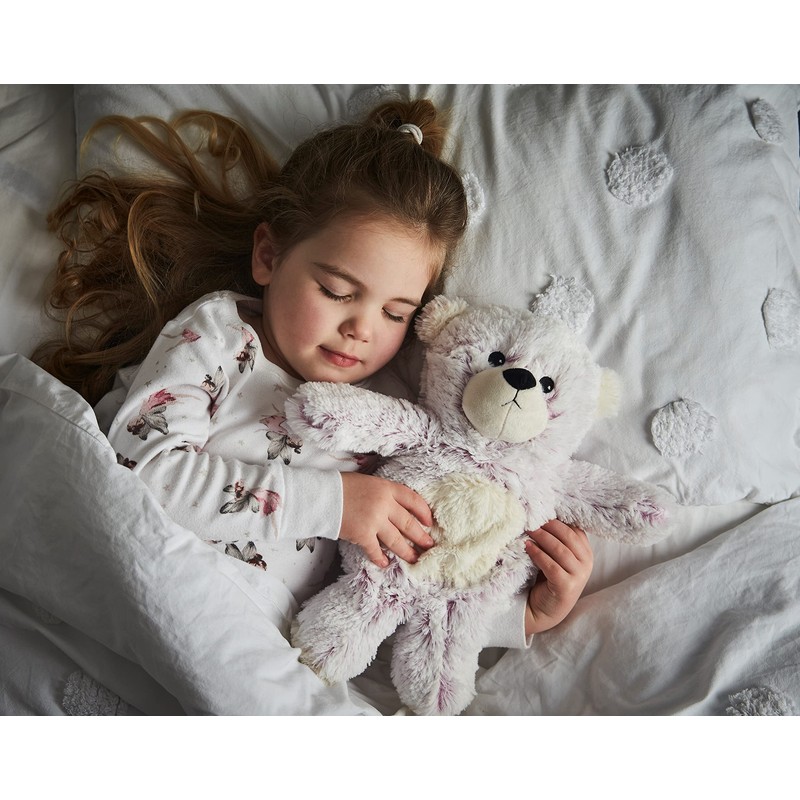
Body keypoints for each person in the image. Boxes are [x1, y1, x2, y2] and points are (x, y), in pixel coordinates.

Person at [34, 97, 592, 654]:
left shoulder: (389, 421)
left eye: (395, 313)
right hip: (134, 588)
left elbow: (389, 593)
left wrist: (523, 617)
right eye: (336, 291)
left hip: (240, 649)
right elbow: (139, 474)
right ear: (269, 256)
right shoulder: (220, 337)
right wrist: (333, 504)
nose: (361, 329)